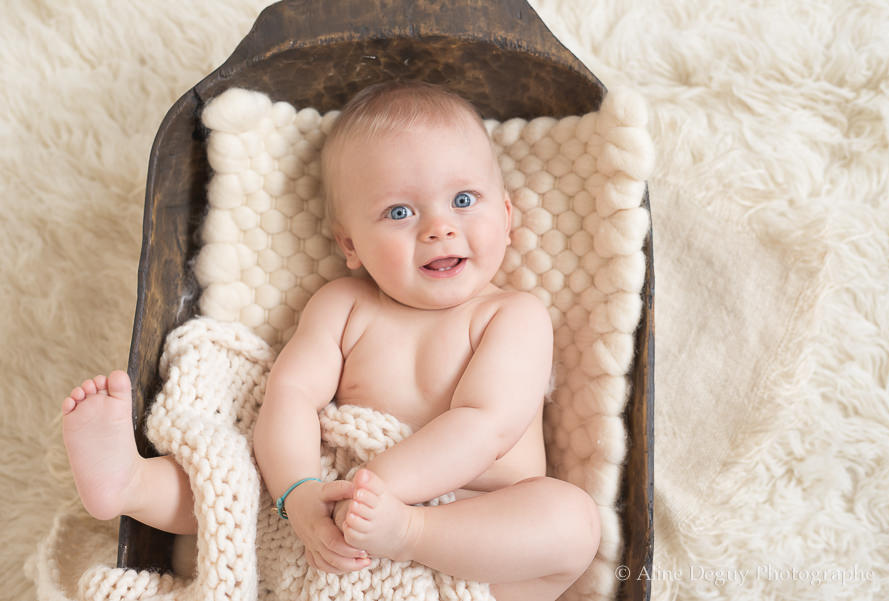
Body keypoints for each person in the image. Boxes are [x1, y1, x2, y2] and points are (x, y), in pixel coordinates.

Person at [62, 81, 601, 601]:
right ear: (351, 244)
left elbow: (488, 423)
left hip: (458, 541)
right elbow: (290, 396)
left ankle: (411, 530)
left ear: (506, 217)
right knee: (227, 477)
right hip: (320, 520)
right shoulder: (344, 305)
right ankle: (129, 485)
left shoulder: (512, 315)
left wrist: (385, 498)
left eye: (464, 198)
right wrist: (297, 495)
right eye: (399, 212)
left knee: (570, 522)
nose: (438, 227)